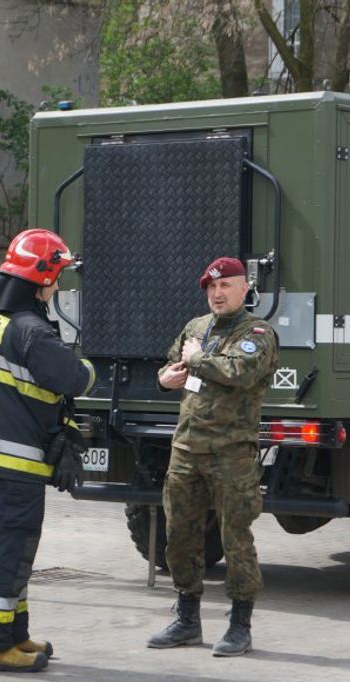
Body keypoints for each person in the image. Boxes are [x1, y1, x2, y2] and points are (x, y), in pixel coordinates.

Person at [0, 228, 96, 673]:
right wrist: (90, 367)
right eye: (56, 277)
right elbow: (74, 379)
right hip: (15, 461)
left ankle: (12, 634)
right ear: (41, 278)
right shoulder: (30, 330)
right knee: (8, 551)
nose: (57, 287)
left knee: (13, 549)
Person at [146, 256, 279, 657]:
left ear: (244, 289)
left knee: (235, 538)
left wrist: (196, 358)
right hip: (187, 449)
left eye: (226, 286)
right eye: (211, 288)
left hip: (231, 453)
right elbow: (175, 365)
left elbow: (239, 371)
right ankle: (187, 619)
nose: (217, 294)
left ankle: (240, 625)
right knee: (181, 537)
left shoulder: (257, 332)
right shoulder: (196, 328)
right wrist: (165, 379)